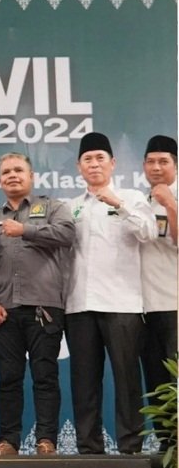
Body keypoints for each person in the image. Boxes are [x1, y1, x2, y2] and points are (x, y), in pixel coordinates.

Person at [0, 152, 75, 456]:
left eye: (18, 170)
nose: (12, 175)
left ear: (31, 176)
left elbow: (67, 233)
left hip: (44, 308)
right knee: (9, 379)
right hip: (4, 312)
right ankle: (8, 441)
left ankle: (47, 440)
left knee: (45, 377)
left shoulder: (52, 207)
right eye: (6, 172)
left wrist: (26, 230)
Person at [66, 131, 156, 454]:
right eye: (87, 159)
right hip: (78, 304)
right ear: (79, 166)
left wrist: (118, 204)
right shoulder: (71, 207)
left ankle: (130, 445)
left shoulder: (131, 198)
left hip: (122, 303)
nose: (94, 164)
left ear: (113, 163)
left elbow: (148, 232)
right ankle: (89, 447)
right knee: (84, 381)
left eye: (99, 158)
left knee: (127, 378)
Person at [139, 135, 177, 439]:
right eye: (150, 161)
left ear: (175, 165)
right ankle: (168, 446)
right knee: (156, 384)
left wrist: (170, 204)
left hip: (175, 305)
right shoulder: (140, 202)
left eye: (163, 161)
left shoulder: (170, 199)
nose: (156, 167)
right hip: (144, 309)